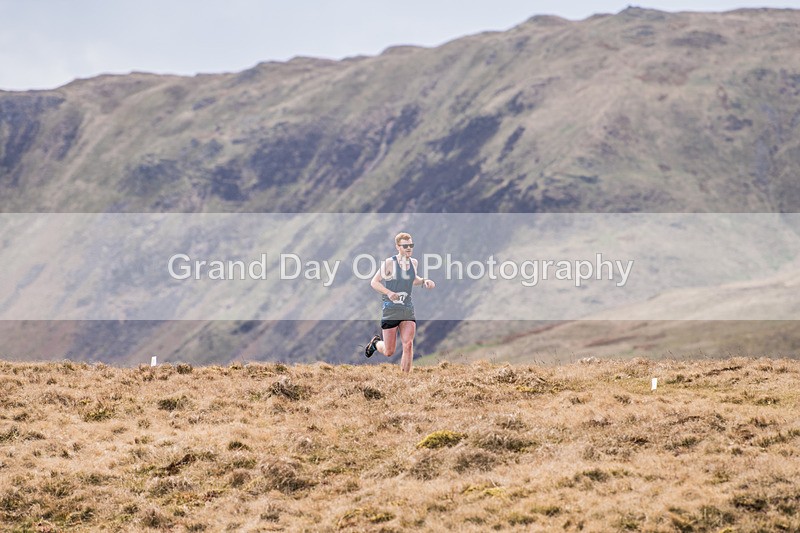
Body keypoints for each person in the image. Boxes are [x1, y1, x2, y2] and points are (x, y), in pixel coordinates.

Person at [364, 232, 435, 373]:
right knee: (389, 351)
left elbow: (413, 280)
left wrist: (424, 281)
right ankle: (376, 343)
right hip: (391, 310)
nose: (409, 248)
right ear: (398, 247)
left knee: (408, 344)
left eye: (411, 245)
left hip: (407, 308)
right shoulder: (390, 263)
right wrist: (389, 293)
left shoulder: (413, 263)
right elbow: (374, 282)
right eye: (405, 246)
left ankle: (405, 380)